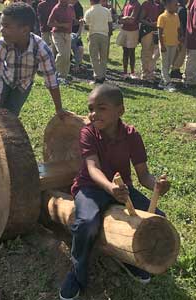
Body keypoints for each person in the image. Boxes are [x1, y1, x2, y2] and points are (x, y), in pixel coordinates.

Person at [59, 84, 170, 300]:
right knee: (87, 224)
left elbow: (144, 175)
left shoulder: (131, 135)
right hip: (90, 188)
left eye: (101, 108)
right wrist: (110, 188)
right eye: (91, 108)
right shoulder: (87, 133)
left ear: (120, 111)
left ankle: (130, 258)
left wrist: (157, 184)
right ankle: (77, 271)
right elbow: (92, 168)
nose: (93, 114)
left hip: (122, 189)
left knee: (157, 219)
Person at [0, 3, 69, 118]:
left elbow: (51, 81)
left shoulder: (41, 49)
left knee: (11, 116)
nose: (1, 30)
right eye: (1, 25)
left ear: (25, 30)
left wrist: (59, 108)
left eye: (6, 26)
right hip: (4, 79)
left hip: (23, 86)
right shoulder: (2, 43)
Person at [83, 0, 113, 84]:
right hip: (104, 35)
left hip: (93, 35)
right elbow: (110, 24)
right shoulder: (106, 10)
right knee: (104, 57)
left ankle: (97, 76)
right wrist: (109, 34)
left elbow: (86, 27)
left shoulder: (88, 12)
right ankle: (103, 76)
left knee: (94, 57)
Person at [48, 0, 76, 84]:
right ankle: (54, 72)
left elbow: (73, 18)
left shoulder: (70, 7)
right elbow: (49, 23)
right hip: (57, 34)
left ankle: (63, 76)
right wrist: (62, 25)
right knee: (62, 54)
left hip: (67, 34)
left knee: (67, 57)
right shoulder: (56, 8)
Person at [157, 0, 181, 92]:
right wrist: (162, 45)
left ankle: (162, 82)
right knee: (164, 63)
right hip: (165, 44)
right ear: (167, 5)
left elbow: (178, 29)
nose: (177, 6)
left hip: (174, 43)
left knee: (169, 63)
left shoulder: (176, 16)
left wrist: (179, 42)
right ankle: (167, 83)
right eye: (175, 5)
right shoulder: (162, 17)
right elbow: (160, 32)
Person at [116, 0, 141, 80]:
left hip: (132, 31)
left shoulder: (136, 4)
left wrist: (122, 19)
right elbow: (122, 18)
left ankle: (132, 72)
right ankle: (125, 72)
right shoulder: (127, 4)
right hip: (124, 30)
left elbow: (132, 20)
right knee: (125, 51)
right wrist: (124, 18)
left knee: (131, 52)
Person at [139, 0, 160, 81]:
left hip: (155, 30)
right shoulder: (146, 3)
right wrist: (150, 24)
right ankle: (144, 73)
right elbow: (141, 18)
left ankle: (150, 72)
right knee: (146, 52)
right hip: (147, 31)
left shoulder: (159, 4)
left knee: (152, 52)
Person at [171, 0, 188, 79]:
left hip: (174, 34)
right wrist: (182, 35)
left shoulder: (176, 8)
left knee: (176, 52)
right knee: (181, 53)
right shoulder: (183, 10)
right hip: (181, 35)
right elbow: (181, 24)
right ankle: (175, 69)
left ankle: (173, 68)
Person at [70, 0, 85, 74]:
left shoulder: (79, 7)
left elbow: (81, 22)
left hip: (75, 32)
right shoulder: (64, 4)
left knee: (80, 48)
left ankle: (78, 65)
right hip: (64, 32)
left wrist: (78, 34)